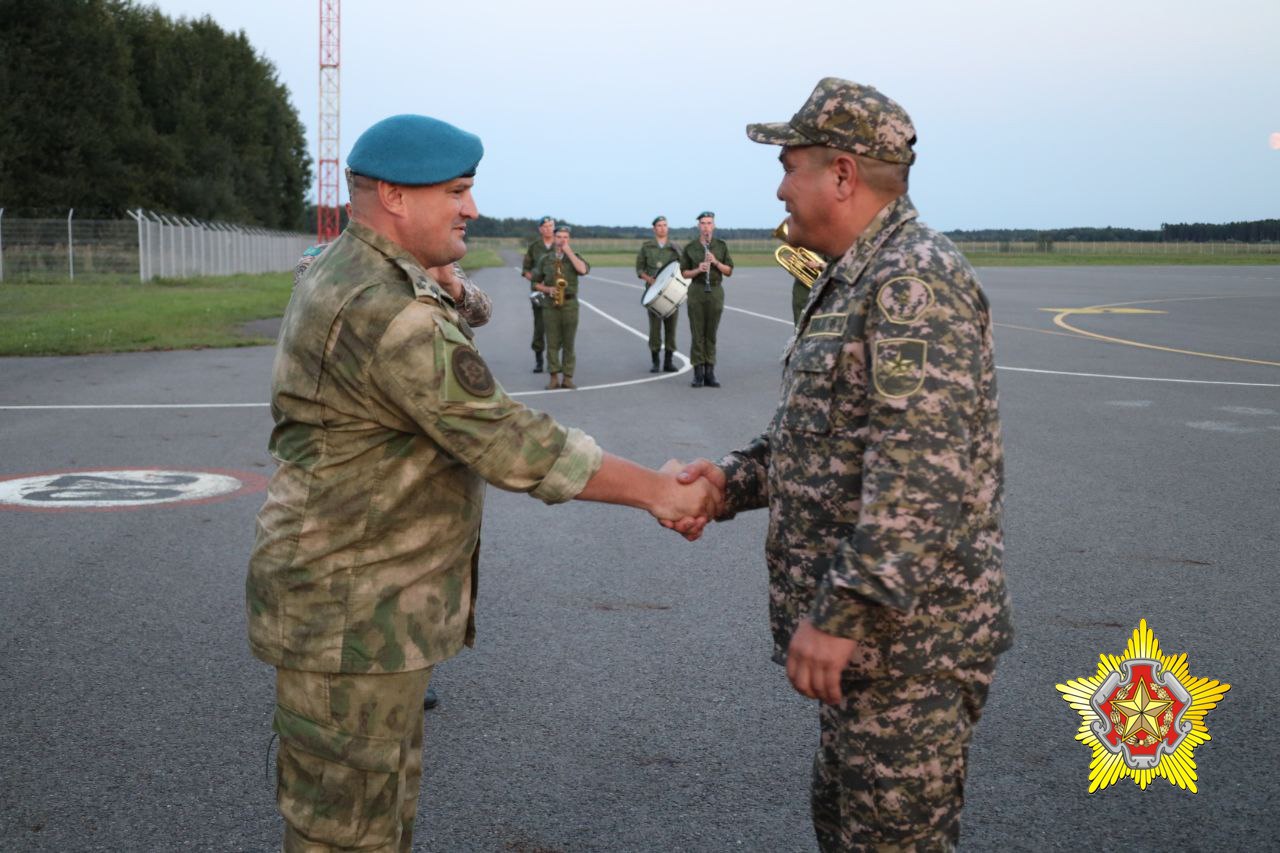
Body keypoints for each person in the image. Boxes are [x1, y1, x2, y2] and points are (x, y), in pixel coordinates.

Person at [247, 113, 716, 853]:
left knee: (374, 818)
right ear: (397, 198)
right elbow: (510, 441)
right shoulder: (387, 311)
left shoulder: (351, 266)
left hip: (359, 607)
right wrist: (659, 491)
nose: (471, 207)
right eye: (458, 191)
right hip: (352, 618)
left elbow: (451, 308)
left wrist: (443, 277)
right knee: (346, 836)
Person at [671, 79, 1014, 851]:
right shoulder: (858, 274)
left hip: (911, 654)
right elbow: (822, 443)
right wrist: (726, 481)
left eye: (790, 164)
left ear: (843, 174)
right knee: (845, 827)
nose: (779, 186)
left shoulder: (911, 283)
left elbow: (919, 474)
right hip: (873, 654)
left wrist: (840, 612)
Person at [530, 224, 589, 390]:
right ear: (554, 238)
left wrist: (568, 252)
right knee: (553, 343)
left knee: (569, 343)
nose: (562, 240)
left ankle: (568, 377)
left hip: (570, 305)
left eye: (565, 237)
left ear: (568, 240)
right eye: (559, 237)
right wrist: (548, 289)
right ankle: (554, 377)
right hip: (550, 305)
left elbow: (583, 270)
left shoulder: (574, 257)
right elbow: (535, 282)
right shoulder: (545, 259)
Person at [679, 211, 733, 388]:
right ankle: (698, 373)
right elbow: (684, 273)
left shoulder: (721, 246)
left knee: (711, 333)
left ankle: (710, 372)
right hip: (697, 290)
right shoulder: (690, 248)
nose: (706, 227)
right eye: (703, 223)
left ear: (714, 226)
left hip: (715, 291)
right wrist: (698, 270)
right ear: (698, 226)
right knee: (697, 333)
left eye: (709, 223)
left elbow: (729, 271)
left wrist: (716, 262)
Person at [634, 215, 681, 373]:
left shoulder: (674, 247)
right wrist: (649, 279)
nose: (662, 228)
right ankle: (655, 361)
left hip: (672, 294)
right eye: (659, 225)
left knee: (671, 329)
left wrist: (679, 251)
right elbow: (639, 269)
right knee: (654, 329)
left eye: (665, 225)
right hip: (653, 294)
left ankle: (668, 361)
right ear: (654, 229)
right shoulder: (647, 247)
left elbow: (684, 266)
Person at [521, 216, 556, 373]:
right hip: (539, 294)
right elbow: (526, 270)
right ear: (540, 229)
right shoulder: (534, 247)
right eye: (546, 226)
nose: (549, 229)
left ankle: (553, 361)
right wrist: (537, 280)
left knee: (556, 327)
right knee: (540, 326)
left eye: (551, 226)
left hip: (556, 293)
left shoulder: (560, 244)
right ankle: (539, 360)